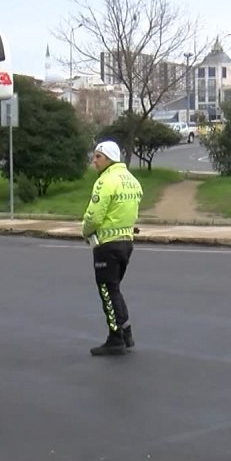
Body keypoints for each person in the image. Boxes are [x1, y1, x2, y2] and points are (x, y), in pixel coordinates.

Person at [82, 140, 143, 356]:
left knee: (107, 291)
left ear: (109, 158)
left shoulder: (105, 181)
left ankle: (115, 338)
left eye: (98, 156)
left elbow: (94, 215)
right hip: (126, 244)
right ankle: (126, 333)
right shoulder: (132, 181)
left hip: (106, 245)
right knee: (114, 289)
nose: (94, 161)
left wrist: (85, 230)